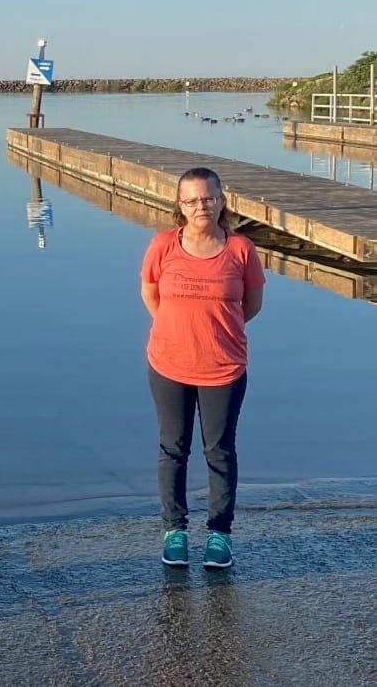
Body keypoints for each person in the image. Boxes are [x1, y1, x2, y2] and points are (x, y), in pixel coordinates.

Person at [140, 167, 264, 569]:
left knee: (220, 451)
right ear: (179, 205)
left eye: (208, 198)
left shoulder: (241, 249)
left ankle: (219, 534)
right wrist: (179, 330)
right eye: (191, 200)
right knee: (172, 449)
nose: (200, 206)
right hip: (169, 364)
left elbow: (251, 305)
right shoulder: (162, 245)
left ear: (221, 200)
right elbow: (151, 293)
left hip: (224, 367)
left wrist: (216, 330)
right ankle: (174, 530)